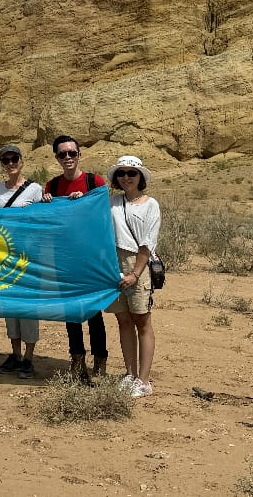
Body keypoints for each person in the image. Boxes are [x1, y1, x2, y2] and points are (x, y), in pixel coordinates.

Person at [41, 135, 110, 382]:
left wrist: (85, 204)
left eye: (72, 153)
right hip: (64, 259)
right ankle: (77, 360)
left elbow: (104, 218)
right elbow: (48, 223)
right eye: (62, 154)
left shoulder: (94, 182)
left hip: (90, 259)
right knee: (71, 312)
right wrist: (46, 203)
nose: (68, 158)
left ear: (79, 155)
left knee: (93, 312)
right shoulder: (52, 187)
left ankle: (100, 363)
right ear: (56, 158)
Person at [105, 154, 161, 398]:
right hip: (113, 262)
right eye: (121, 173)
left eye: (131, 173)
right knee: (123, 320)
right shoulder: (112, 202)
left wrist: (135, 274)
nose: (126, 177)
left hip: (137, 263)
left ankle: (144, 380)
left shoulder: (151, 205)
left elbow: (147, 244)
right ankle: (129, 374)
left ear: (140, 177)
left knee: (142, 321)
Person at [0, 144, 43, 378]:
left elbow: (44, 219)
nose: (10, 163)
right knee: (10, 306)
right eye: (6, 160)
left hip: (29, 257)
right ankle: (16, 354)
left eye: (14, 159)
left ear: (22, 161)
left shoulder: (35, 190)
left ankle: (29, 358)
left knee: (28, 307)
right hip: (6, 256)